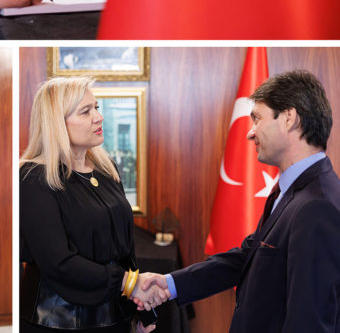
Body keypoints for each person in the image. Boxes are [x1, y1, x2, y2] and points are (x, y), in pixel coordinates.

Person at [138, 70, 340, 332]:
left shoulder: (318, 206)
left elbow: (309, 322)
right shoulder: (293, 191)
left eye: (257, 119)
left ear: (289, 118)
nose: (250, 133)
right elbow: (249, 257)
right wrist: (169, 284)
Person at [19, 76, 167, 333]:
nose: (98, 117)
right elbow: (58, 262)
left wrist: (139, 307)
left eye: (96, 108)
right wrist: (129, 283)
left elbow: (124, 251)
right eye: (85, 111)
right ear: (57, 123)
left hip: (114, 315)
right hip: (58, 320)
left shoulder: (106, 169)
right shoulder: (34, 178)